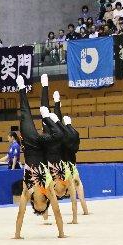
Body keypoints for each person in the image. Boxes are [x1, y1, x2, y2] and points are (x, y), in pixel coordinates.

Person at [14, 75, 66, 239]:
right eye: (44, 209)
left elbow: (20, 214)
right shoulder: (49, 191)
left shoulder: (26, 192)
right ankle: (45, 91)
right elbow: (57, 212)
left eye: (40, 209)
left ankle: (22, 88)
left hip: (30, 145)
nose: (43, 208)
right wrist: (61, 233)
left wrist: (17, 234)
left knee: (25, 114)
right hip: (43, 146)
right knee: (59, 135)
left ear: (35, 205)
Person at [39, 75, 79, 225]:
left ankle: (45, 87)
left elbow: (45, 199)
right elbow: (74, 200)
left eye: (56, 191)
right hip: (57, 144)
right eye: (58, 191)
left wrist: (45, 218)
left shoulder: (49, 181)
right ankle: (57, 102)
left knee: (44, 112)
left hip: (48, 142)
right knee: (57, 121)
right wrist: (74, 219)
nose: (56, 190)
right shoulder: (67, 178)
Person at [52, 89, 89, 217]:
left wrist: (56, 121)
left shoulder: (65, 136)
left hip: (63, 168)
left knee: (51, 190)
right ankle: (85, 210)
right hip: (73, 168)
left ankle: (57, 105)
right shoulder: (75, 134)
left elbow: (60, 129)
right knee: (79, 190)